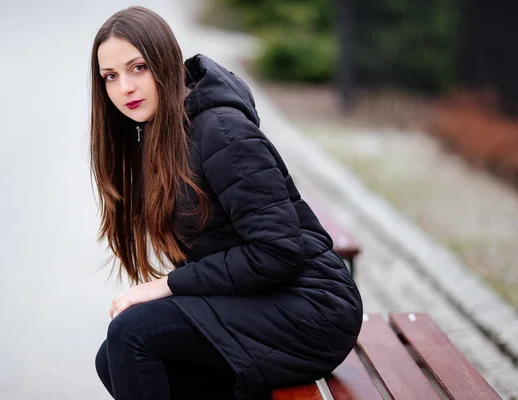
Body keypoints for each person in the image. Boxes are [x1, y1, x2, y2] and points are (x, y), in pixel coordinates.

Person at [91, 6, 363, 400]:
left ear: (165, 63)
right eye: (110, 77)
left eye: (138, 68)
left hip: (311, 309)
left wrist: (168, 285)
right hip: (263, 300)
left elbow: (277, 250)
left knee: (133, 335)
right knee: (115, 357)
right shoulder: (162, 135)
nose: (124, 88)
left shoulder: (221, 132)